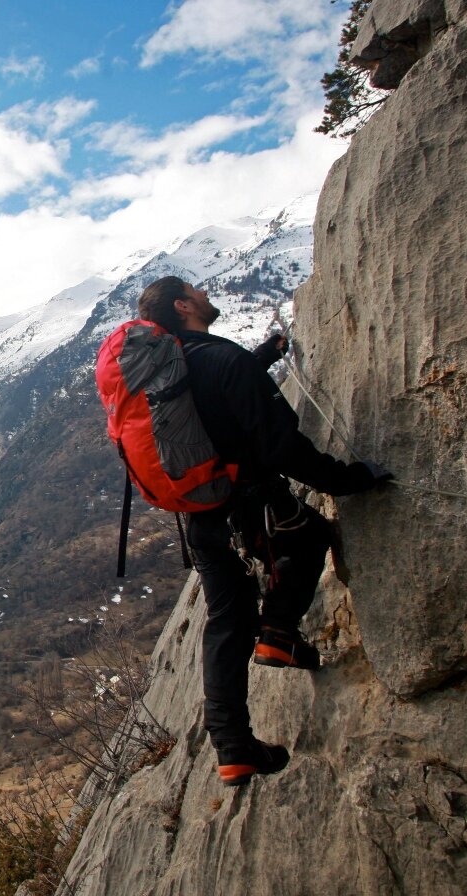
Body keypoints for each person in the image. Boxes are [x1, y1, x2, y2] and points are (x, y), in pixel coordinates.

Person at [135, 275, 391, 786]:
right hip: (249, 506)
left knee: (227, 620)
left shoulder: (169, 370)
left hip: (201, 518)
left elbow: (209, 399)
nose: (207, 294)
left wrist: (260, 358)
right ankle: (277, 631)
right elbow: (282, 447)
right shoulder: (221, 360)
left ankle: (232, 747)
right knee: (309, 534)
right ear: (184, 306)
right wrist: (349, 480)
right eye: (198, 291)